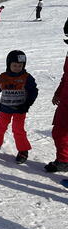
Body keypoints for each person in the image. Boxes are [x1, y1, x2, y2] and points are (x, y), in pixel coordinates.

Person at [0, 50, 38, 164]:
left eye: (20, 65)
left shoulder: (26, 77)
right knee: (0, 127)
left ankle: (23, 151)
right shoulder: (3, 76)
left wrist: (27, 104)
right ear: (8, 64)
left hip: (19, 109)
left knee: (18, 129)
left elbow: (33, 92)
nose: (17, 68)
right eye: (14, 65)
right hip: (5, 108)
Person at [45, 19, 68, 173]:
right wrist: (58, 92)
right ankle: (64, 160)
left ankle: (64, 160)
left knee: (61, 132)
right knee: (59, 132)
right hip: (66, 99)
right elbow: (66, 75)